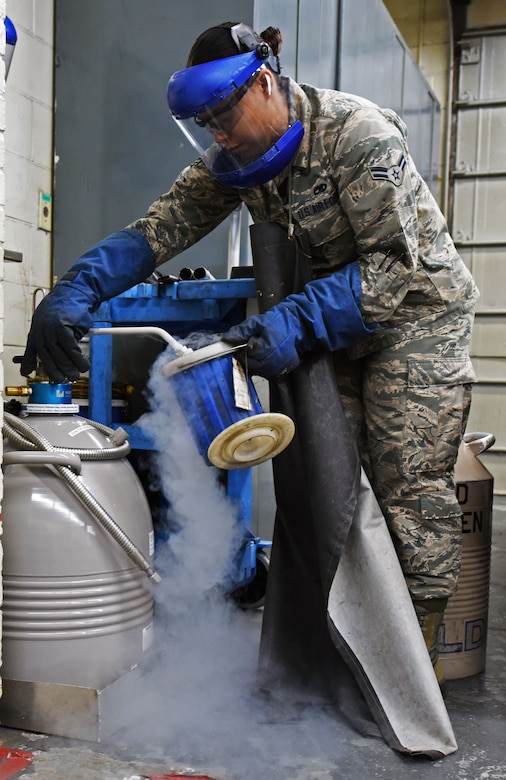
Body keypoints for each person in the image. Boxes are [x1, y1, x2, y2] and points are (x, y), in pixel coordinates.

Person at [20, 21, 478, 677]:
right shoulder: (236, 162)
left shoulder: (358, 134)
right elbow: (158, 230)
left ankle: (420, 670)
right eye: (205, 121)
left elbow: (396, 269)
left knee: (405, 478)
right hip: (335, 318)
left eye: (224, 112)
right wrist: (76, 288)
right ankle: (350, 656)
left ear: (264, 82)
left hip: (415, 316)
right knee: (333, 485)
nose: (219, 132)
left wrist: (297, 319)